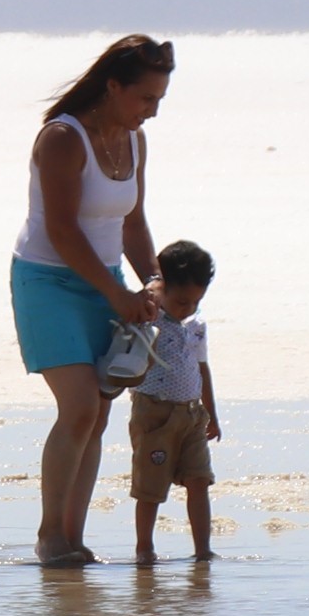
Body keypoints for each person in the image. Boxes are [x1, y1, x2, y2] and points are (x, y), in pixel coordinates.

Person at [10, 34, 172, 565]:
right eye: (145, 99)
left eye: (159, 101)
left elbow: (133, 222)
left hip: (106, 282)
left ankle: (74, 538)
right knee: (78, 407)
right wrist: (116, 293)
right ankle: (49, 535)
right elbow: (61, 230)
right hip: (48, 281)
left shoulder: (134, 140)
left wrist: (151, 283)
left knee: (98, 415)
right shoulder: (62, 138)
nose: (151, 112)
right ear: (113, 86)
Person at [127, 240, 221, 565]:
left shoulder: (196, 326)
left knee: (199, 480)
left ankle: (203, 550)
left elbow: (203, 368)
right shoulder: (147, 318)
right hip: (153, 411)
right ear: (163, 287)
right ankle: (144, 548)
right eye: (181, 301)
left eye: (196, 302)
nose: (188, 308)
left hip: (192, 414)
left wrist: (212, 414)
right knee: (150, 487)